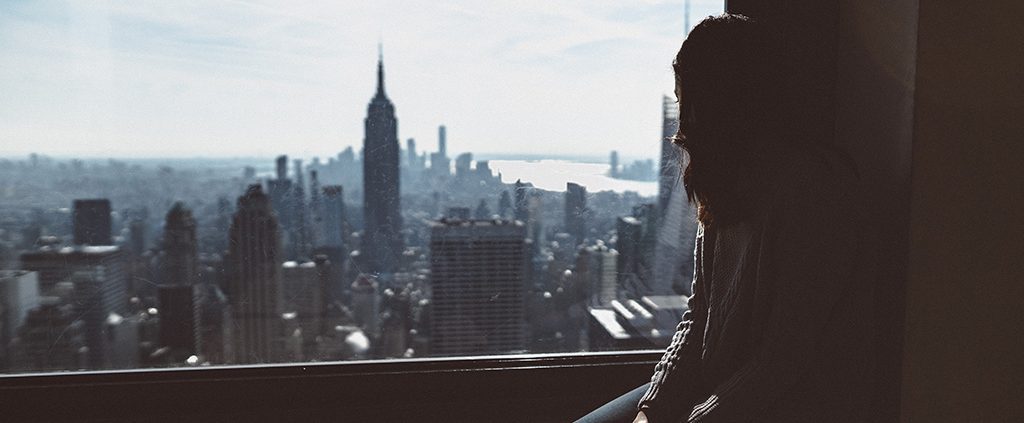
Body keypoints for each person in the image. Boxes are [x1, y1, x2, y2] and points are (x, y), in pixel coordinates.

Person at [576, 14, 870, 422]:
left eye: (695, 101)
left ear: (732, 102)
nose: (685, 123)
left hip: (779, 404)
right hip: (714, 386)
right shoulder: (732, 182)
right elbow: (698, 315)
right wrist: (652, 409)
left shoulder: (813, 191)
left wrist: (698, 417)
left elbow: (785, 357)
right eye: (682, 101)